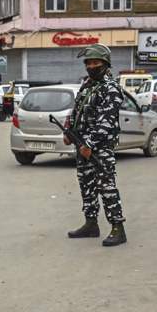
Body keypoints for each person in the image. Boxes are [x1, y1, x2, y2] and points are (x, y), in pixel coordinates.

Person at [65, 43, 126, 247]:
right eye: (88, 63)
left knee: (106, 187)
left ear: (105, 64)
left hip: (100, 148)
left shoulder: (111, 88)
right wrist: (69, 129)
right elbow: (78, 109)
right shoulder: (87, 85)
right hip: (82, 145)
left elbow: (106, 121)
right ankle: (91, 224)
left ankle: (118, 227)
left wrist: (90, 143)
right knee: (87, 186)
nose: (92, 66)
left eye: (96, 62)